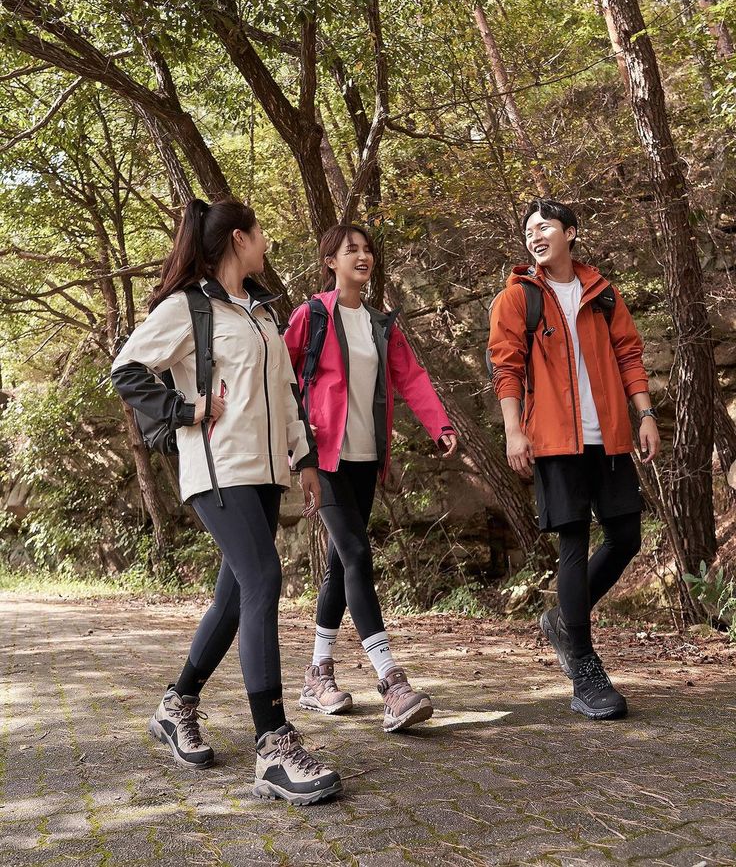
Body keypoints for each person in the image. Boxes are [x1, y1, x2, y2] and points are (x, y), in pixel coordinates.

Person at [111, 197, 342, 804]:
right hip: (216, 471)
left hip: (265, 471)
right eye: (260, 231)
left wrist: (305, 459)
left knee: (237, 594)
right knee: (264, 579)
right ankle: (272, 743)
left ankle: (176, 704)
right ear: (239, 239)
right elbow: (127, 367)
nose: (265, 240)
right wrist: (186, 411)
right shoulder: (188, 309)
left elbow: (287, 393)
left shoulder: (262, 312)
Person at [487, 198, 660, 720]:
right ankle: (583, 668)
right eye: (529, 231)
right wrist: (514, 430)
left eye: (545, 227)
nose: (536, 236)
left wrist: (644, 414)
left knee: (626, 534)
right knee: (574, 542)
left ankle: (564, 618)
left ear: (571, 233)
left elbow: (630, 354)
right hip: (554, 439)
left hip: (607, 436)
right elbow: (506, 366)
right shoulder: (517, 298)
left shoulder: (602, 294)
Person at [284, 224, 458, 732]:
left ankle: (317, 675)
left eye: (366, 250)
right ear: (330, 263)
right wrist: (299, 452)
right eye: (350, 251)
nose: (362, 257)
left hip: (364, 459)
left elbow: (411, 378)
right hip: (327, 458)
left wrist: (439, 424)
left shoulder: (381, 324)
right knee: (357, 556)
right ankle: (391, 682)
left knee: (343, 564)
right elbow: (278, 375)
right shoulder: (313, 315)